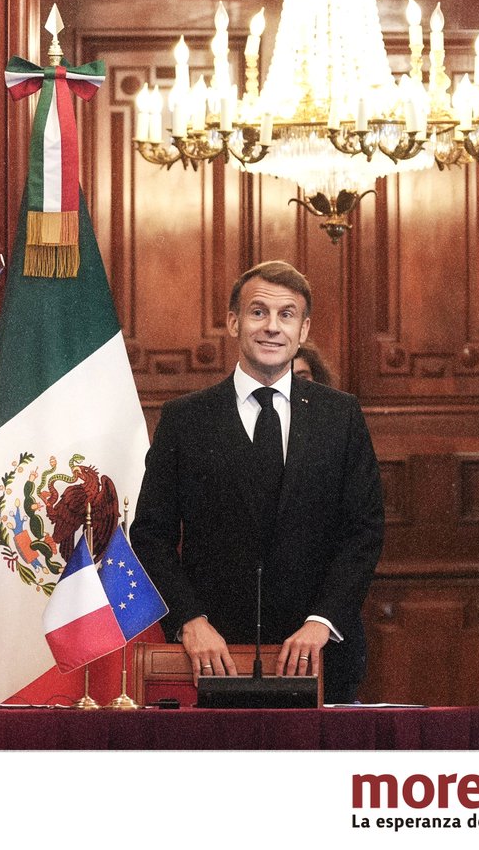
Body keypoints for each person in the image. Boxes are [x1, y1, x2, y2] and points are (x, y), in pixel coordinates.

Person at [130, 260, 384, 702]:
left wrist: (322, 621)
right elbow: (151, 535)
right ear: (233, 322)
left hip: (320, 655)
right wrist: (190, 620)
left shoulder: (340, 415)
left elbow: (363, 531)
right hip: (213, 656)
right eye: (258, 312)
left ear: (303, 330)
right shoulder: (185, 419)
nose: (272, 327)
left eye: (287, 315)